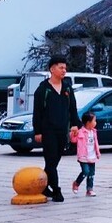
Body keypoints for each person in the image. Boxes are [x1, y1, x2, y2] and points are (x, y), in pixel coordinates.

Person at [32, 56, 81, 202]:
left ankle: (44, 186)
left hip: (62, 131)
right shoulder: (43, 90)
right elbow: (37, 112)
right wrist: (37, 131)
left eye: (65, 68)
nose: (64, 70)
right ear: (52, 69)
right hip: (48, 131)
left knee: (53, 162)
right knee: (51, 160)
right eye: (61, 68)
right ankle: (57, 191)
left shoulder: (67, 88)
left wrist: (75, 124)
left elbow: (72, 108)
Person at [72, 111, 100, 196]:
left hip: (92, 156)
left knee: (91, 173)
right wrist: (73, 133)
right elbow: (73, 140)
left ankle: (89, 189)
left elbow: (96, 143)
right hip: (83, 156)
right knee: (85, 171)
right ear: (88, 122)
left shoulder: (94, 132)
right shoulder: (80, 131)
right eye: (94, 121)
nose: (95, 122)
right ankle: (76, 183)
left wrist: (97, 153)